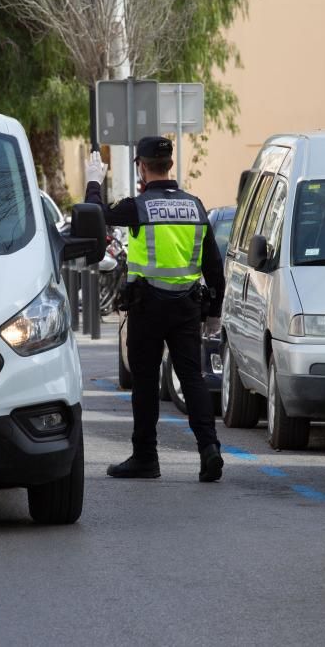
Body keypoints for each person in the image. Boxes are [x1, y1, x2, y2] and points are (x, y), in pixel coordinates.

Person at [84, 137, 226, 482]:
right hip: (187, 308)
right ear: (170, 165)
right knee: (192, 378)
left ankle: (146, 457)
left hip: (147, 307)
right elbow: (214, 267)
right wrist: (214, 312)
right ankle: (209, 449)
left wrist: (93, 180)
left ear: (142, 168)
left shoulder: (138, 206)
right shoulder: (196, 206)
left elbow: (95, 215)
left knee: (145, 382)